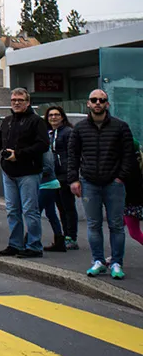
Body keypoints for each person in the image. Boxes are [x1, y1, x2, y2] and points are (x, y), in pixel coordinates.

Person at [67, 88, 135, 280]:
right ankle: (98, 261)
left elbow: (128, 155)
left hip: (114, 183)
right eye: (94, 100)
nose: (98, 103)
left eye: (101, 100)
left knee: (116, 226)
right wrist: (73, 179)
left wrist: (121, 177)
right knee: (93, 224)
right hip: (89, 183)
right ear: (88, 104)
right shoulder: (79, 128)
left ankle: (116, 263)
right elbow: (72, 155)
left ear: (107, 104)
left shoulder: (120, 127)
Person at [0, 87, 49, 258]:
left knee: (30, 210)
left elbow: (43, 145)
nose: (16, 103)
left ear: (28, 102)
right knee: (12, 210)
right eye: (13, 100)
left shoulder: (36, 121)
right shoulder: (7, 120)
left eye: (20, 100)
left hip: (29, 172)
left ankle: (34, 245)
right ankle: (15, 244)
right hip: (9, 171)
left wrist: (19, 155)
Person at [45, 106, 78, 250]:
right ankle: (64, 235)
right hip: (52, 174)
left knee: (68, 206)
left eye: (57, 115)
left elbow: (73, 154)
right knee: (60, 207)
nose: (53, 117)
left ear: (62, 117)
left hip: (65, 173)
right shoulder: (48, 133)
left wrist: (72, 173)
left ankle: (71, 236)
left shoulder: (68, 132)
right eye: (51, 115)